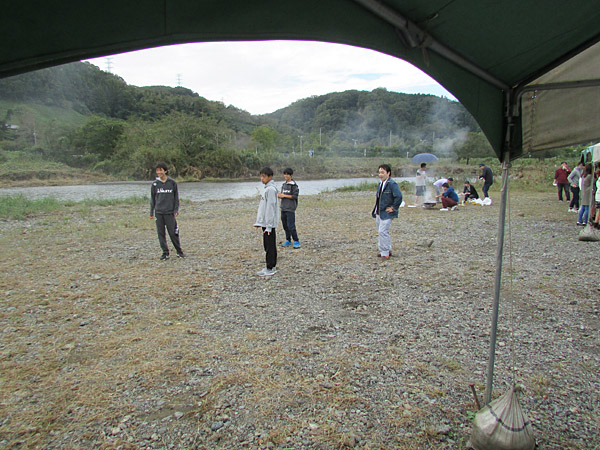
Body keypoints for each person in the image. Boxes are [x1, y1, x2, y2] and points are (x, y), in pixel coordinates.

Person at [150, 162, 185, 260]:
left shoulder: (172, 183)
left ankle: (179, 251)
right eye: (157, 170)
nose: (159, 172)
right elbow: (152, 199)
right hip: (159, 212)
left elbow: (176, 198)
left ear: (165, 171)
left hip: (169, 212)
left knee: (173, 233)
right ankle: (165, 253)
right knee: (161, 233)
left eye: (160, 170)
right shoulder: (155, 184)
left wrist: (176, 210)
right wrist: (151, 212)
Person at [371, 164, 403, 260]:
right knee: (382, 231)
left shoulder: (392, 184)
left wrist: (393, 208)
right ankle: (387, 249)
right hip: (379, 211)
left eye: (382, 172)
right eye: (379, 172)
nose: (380, 175)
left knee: (383, 231)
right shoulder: (381, 184)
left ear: (388, 173)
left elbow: (399, 196)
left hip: (387, 212)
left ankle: (385, 252)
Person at [254, 167, 279, 276]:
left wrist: (268, 226)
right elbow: (263, 208)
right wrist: (259, 222)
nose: (262, 178)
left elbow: (270, 208)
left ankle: (271, 267)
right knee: (267, 245)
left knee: (270, 245)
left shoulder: (271, 190)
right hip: (266, 223)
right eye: (261, 176)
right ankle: (270, 266)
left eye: (264, 176)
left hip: (269, 224)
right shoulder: (267, 189)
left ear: (270, 177)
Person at [278, 167, 301, 248]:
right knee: (285, 225)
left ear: (291, 175)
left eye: (287, 174)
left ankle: (296, 240)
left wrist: (284, 195)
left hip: (290, 208)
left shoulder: (294, 186)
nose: (286, 176)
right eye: (285, 174)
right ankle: (288, 240)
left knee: (291, 226)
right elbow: (282, 195)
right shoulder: (284, 185)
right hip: (283, 207)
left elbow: (294, 196)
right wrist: (280, 196)